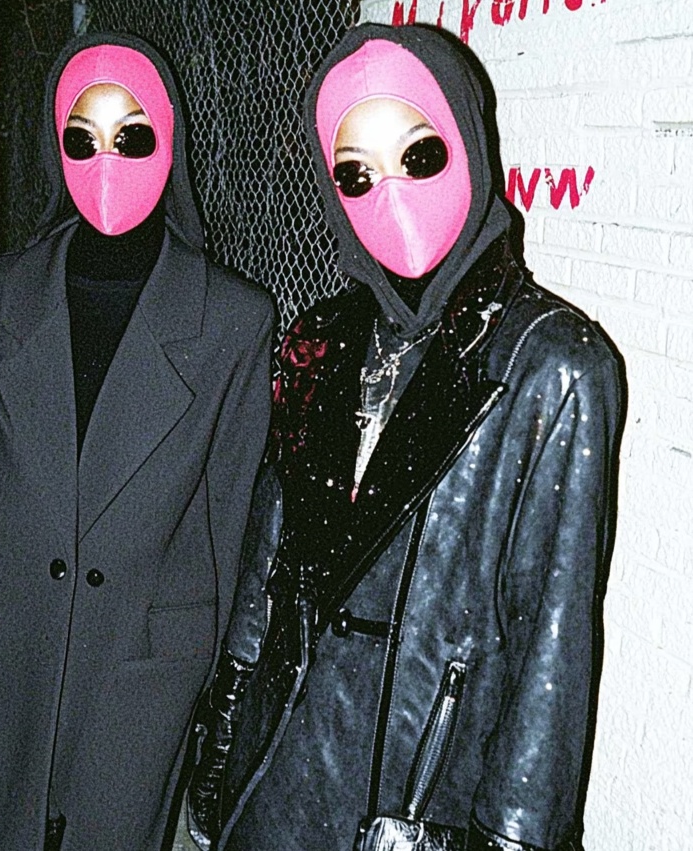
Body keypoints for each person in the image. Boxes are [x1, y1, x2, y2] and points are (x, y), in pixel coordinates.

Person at [187, 22, 624, 851]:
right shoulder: (320, 337)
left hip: (418, 794)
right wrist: (224, 733)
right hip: (279, 771)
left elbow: (552, 648)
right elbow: (267, 557)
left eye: (417, 155)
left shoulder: (553, 365)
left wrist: (508, 839)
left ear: (467, 143)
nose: (386, 193)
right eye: (355, 174)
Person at [0, 32, 274, 851]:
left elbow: (231, 524)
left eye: (132, 135)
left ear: (169, 142)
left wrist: (223, 693)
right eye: (81, 137)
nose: (106, 160)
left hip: (142, 664)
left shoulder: (233, 322)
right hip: (7, 648)